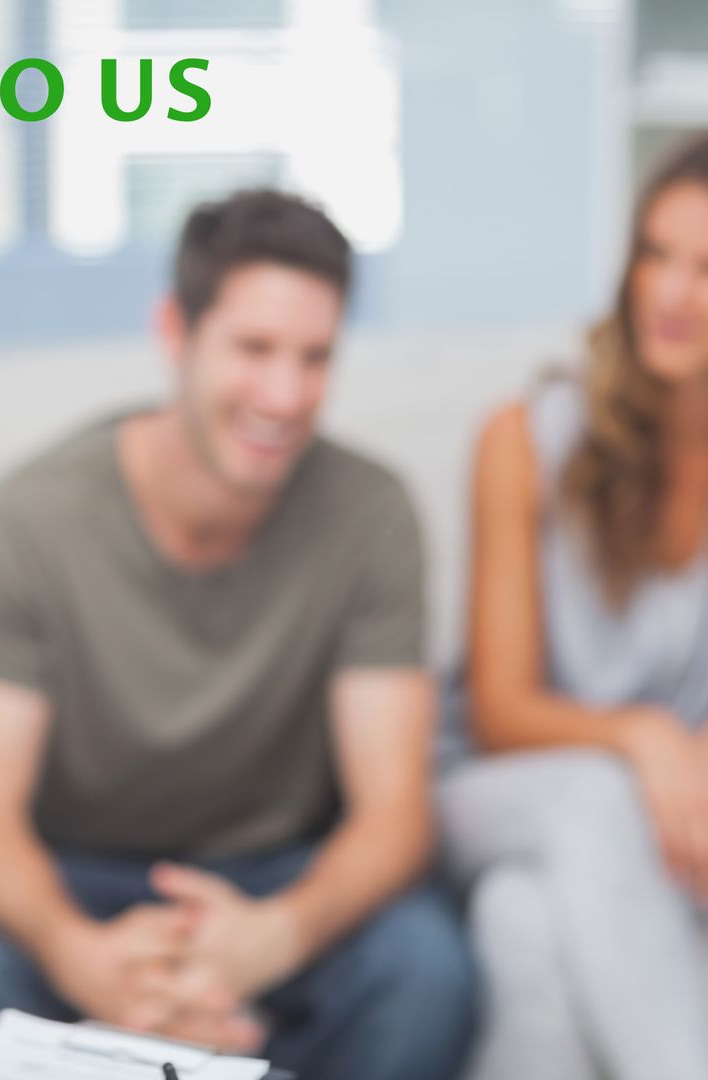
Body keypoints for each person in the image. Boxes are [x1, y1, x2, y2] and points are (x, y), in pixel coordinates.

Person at [0, 188, 476, 1080]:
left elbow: (395, 816)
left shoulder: (373, 513)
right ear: (175, 331)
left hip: (279, 879)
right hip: (77, 872)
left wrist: (271, 940)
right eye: (254, 349)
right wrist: (84, 956)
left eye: (315, 357)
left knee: (427, 972)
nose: (285, 394)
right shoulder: (32, 517)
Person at [440, 133, 708, 1080]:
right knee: (596, 803)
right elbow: (500, 714)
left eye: (707, 267)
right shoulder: (524, 440)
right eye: (656, 255)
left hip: (669, 824)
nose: (673, 294)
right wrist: (643, 737)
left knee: (524, 930)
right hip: (507, 790)